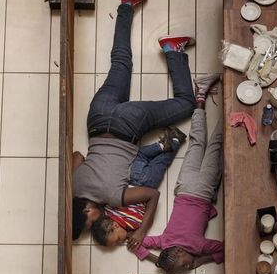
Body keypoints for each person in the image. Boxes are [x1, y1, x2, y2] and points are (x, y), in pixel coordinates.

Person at [72, 0, 197, 244]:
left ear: (87, 210)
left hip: (129, 124)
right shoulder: (73, 186)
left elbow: (152, 194)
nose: (96, 221)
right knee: (120, 62)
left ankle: (173, 50)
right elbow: (77, 156)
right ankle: (127, 4)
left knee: (186, 104)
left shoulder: (112, 197)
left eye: (90, 221)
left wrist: (141, 231)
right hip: (97, 118)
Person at [90, 74, 221, 248]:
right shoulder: (109, 209)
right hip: (130, 174)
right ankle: (161, 145)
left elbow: (149, 202)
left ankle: (173, 142)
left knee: (162, 163)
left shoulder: (133, 224)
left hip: (147, 185)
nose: (121, 242)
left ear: (114, 226)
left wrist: (139, 232)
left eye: (118, 240)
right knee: (142, 156)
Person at [127, 92, 224, 274]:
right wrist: (158, 260)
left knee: (215, 146)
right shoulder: (163, 242)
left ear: (179, 252)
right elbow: (134, 243)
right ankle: (200, 100)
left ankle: (228, 111)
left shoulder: (198, 247)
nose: (189, 266)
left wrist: (202, 260)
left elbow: (224, 249)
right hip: (184, 187)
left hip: (202, 191)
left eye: (184, 265)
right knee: (197, 143)